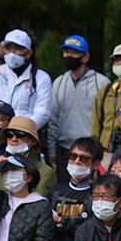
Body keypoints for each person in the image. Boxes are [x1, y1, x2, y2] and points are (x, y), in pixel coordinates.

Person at [48, 35, 110, 180]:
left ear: (85, 56)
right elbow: (53, 120)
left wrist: (103, 152)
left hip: (90, 151)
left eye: (74, 52)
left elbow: (107, 120)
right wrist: (51, 152)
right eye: (66, 52)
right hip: (64, 150)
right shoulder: (59, 82)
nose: (69, 56)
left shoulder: (100, 82)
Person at [0, 29, 52, 134]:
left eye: (17, 48)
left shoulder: (41, 78)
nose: (12, 53)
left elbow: (42, 113)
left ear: (28, 53)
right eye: (8, 48)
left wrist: (19, 132)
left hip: (26, 139)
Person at [0, 116, 56, 195]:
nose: (14, 139)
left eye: (20, 134)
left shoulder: (46, 173)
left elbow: (43, 204)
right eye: (9, 134)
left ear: (33, 141)